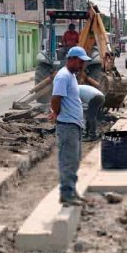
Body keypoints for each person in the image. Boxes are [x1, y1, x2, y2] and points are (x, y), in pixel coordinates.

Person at [50, 47, 91, 206]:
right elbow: (55, 98)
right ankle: (67, 194)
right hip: (67, 126)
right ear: (72, 59)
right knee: (68, 161)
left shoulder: (71, 76)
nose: (82, 65)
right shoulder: (63, 76)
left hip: (74, 125)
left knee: (74, 160)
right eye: (80, 62)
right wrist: (57, 113)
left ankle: (72, 191)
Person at [78, 77, 105, 142]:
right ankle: (87, 134)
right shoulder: (76, 88)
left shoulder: (73, 90)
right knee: (89, 115)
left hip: (96, 98)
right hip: (98, 97)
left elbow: (77, 104)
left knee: (91, 116)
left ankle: (93, 135)